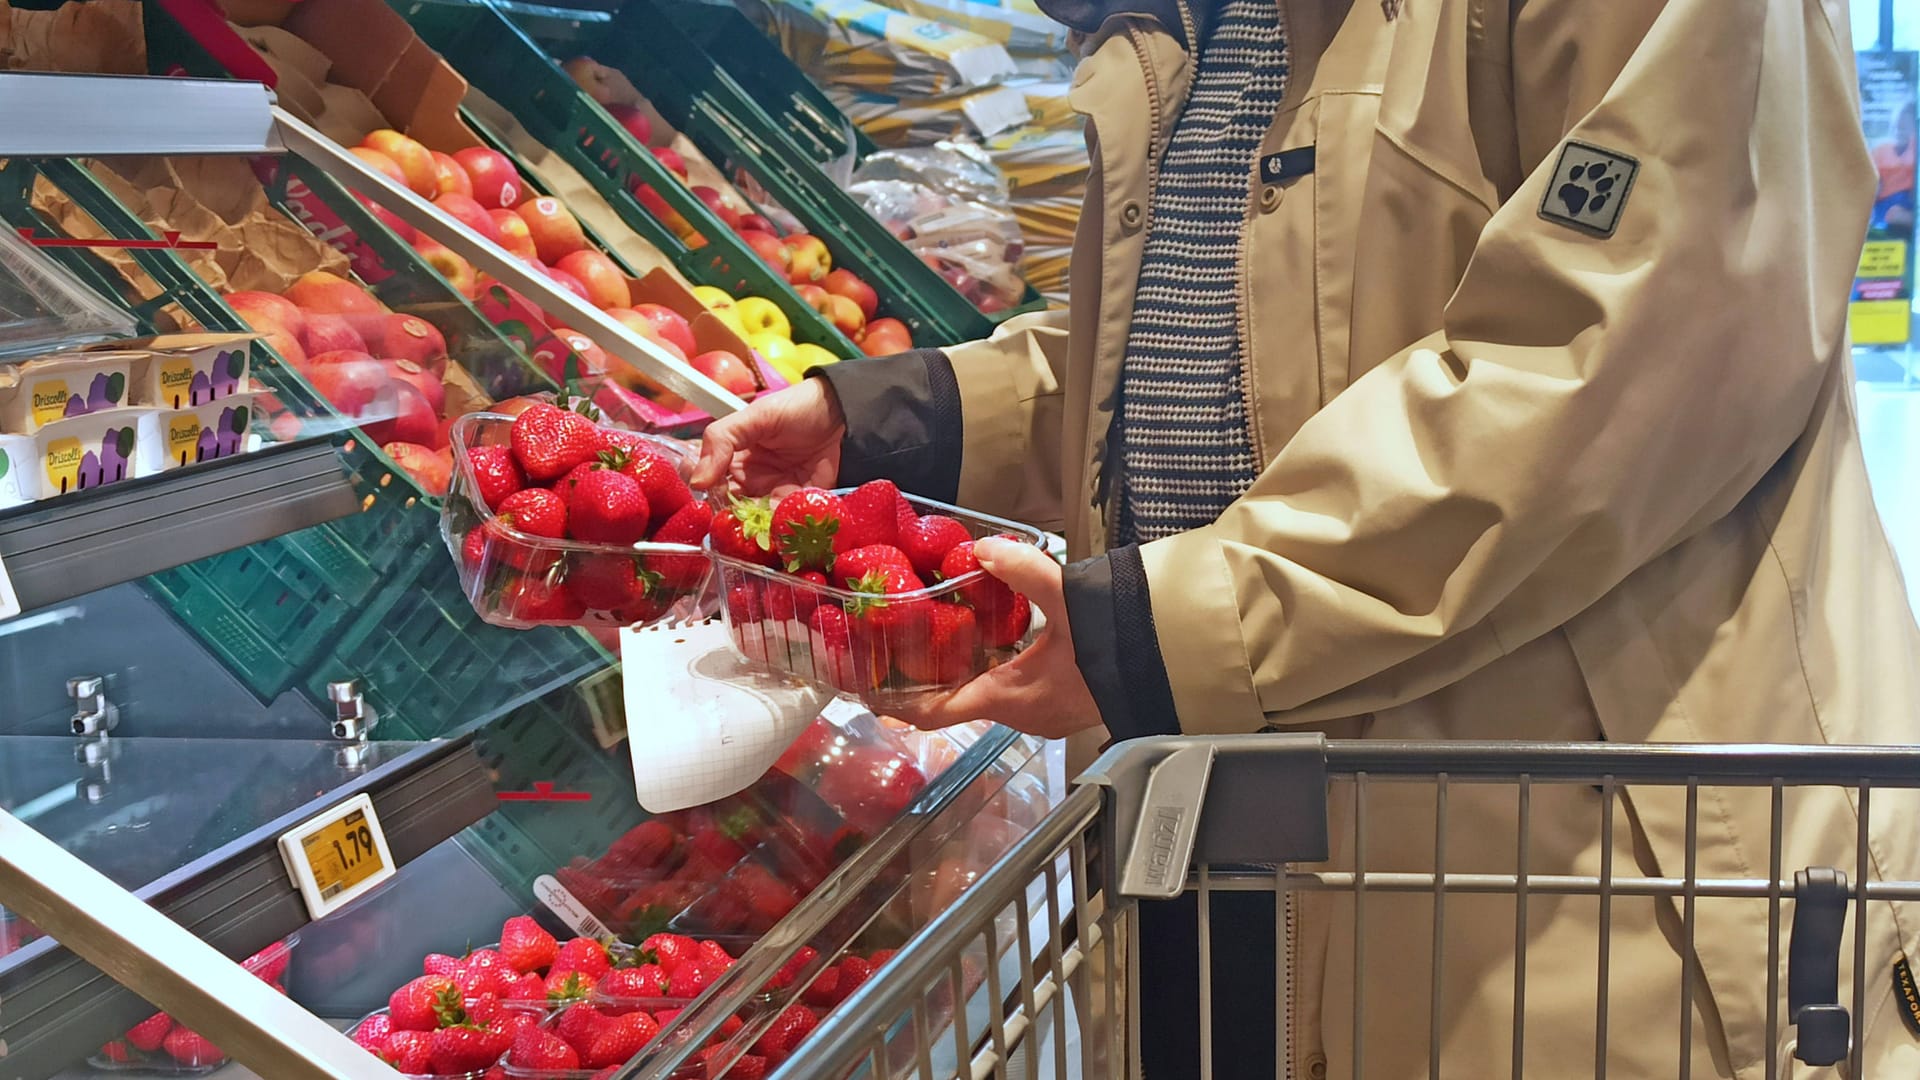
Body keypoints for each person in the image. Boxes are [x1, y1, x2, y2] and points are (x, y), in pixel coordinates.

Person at [695, 0, 1920, 1075]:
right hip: (1249, 824)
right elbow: (1215, 349)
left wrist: (1166, 634)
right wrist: (903, 425)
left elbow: (1619, 355)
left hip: (1572, 879)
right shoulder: (1199, 20)